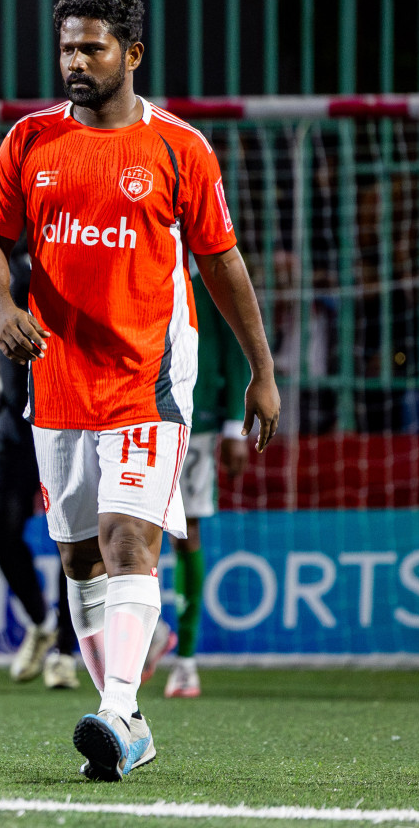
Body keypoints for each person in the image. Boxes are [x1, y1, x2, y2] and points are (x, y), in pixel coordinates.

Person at [0, 0, 279, 782]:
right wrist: (1, 308)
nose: (76, 61)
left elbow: (222, 263)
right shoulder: (30, 140)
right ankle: (130, 725)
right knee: (79, 558)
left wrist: (261, 370)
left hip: (149, 379)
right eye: (66, 48)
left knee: (128, 540)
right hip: (56, 382)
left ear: (132, 54)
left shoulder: (179, 148)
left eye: (92, 47)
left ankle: (116, 708)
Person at [0, 239, 78, 690]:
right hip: (14, 419)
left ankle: (65, 650)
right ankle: (41, 624)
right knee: (0, 528)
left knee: (73, 536)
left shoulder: (69, 243)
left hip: (67, 410)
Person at [164, 263, 250, 699]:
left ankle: (186, 661)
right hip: (134, 415)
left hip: (194, 422)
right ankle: (144, 637)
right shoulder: (145, 259)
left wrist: (236, 425)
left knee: (185, 533)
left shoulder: (211, 274)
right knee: (122, 528)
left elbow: (236, 348)